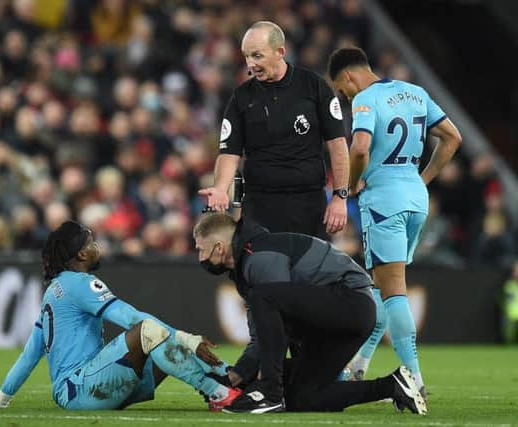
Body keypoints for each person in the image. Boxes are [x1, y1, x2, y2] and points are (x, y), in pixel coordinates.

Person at [0, 220, 241, 411]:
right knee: (151, 331)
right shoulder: (81, 283)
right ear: (81, 254)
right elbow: (131, 318)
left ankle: (225, 378)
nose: (97, 247)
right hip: (84, 388)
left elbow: (29, 354)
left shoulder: (53, 292)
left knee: (162, 340)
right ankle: (218, 391)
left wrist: (1, 399)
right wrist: (186, 337)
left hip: (74, 392)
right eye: (91, 243)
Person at [193, 212, 427, 414]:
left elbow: (279, 322)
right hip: (344, 316)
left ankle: (270, 394)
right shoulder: (251, 263)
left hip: (350, 303)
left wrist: (259, 380)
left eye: (201, 250)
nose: (200, 258)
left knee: (263, 298)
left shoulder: (259, 257)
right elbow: (262, 336)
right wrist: (235, 378)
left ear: (219, 247)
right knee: (304, 397)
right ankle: (392, 386)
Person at [327, 47, 462, 394]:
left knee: (393, 293)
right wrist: (424, 180)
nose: (345, 96)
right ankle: (358, 366)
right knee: (383, 287)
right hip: (416, 199)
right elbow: (452, 138)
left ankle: (414, 379)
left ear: (349, 76)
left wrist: (352, 182)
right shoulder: (415, 92)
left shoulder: (365, 100)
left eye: (342, 89)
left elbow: (359, 148)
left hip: (384, 200)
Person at [198, 21, 349, 238]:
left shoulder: (314, 87)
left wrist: (339, 197)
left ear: (280, 52)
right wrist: (221, 188)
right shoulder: (241, 97)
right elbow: (229, 153)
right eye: (246, 56)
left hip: (308, 206)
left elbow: (337, 145)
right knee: (262, 270)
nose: (250, 64)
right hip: (259, 208)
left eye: (257, 56)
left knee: (305, 271)